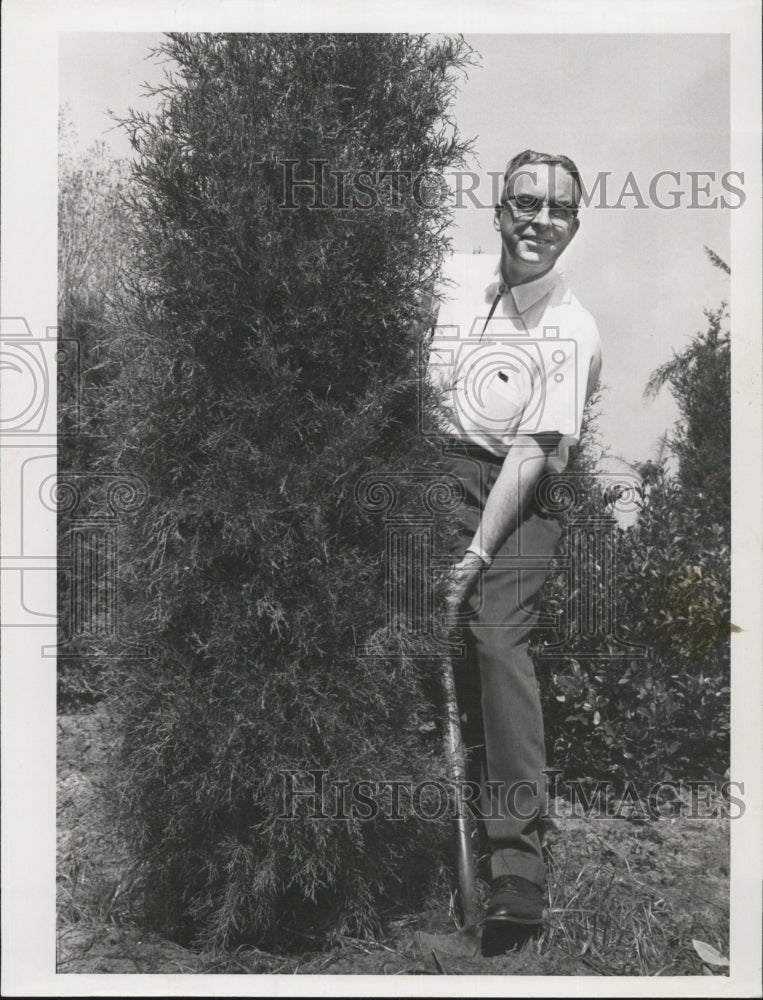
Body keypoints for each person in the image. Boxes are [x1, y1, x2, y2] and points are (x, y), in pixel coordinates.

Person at [427, 149, 602, 926]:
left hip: (520, 493)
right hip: (428, 474)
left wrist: (473, 557)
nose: (539, 219)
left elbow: (531, 455)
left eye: (557, 208)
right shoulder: (448, 280)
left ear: (574, 226)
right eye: (525, 202)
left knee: (496, 638)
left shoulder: (572, 328)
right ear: (498, 210)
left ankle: (516, 869)